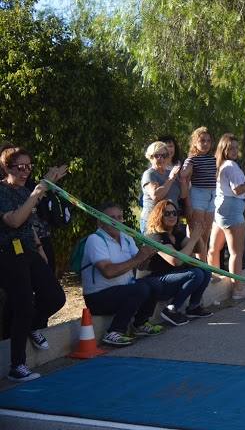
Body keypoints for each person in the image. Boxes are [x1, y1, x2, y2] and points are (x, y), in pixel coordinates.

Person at [0, 148, 67, 381]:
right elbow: (15, 220)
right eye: (20, 167)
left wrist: (39, 249)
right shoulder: (2, 191)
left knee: (55, 297)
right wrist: (39, 191)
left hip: (29, 249)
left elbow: (29, 223)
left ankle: (32, 325)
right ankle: (17, 366)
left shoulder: (25, 190)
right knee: (23, 305)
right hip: (8, 253)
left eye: (29, 166)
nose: (26, 172)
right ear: (7, 168)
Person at [82, 202, 164, 348]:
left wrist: (148, 255)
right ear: (100, 221)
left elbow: (140, 266)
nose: (116, 221)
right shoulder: (95, 240)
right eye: (111, 217)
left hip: (123, 291)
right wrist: (139, 257)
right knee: (140, 289)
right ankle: (114, 332)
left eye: (119, 217)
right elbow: (108, 272)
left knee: (155, 284)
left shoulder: (126, 238)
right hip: (98, 297)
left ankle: (140, 324)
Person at [144, 200, 213, 324]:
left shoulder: (176, 234)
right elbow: (176, 261)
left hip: (175, 276)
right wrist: (194, 239)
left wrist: (198, 234)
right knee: (196, 273)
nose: (172, 216)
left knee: (205, 269)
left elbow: (198, 249)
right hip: (158, 280)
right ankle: (172, 309)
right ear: (159, 216)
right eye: (167, 213)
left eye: (174, 213)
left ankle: (194, 307)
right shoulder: (155, 237)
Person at [209, 133, 245, 300]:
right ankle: (238, 288)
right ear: (224, 149)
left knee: (215, 248)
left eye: (237, 148)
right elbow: (238, 189)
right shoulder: (230, 166)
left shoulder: (221, 165)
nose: (235, 151)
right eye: (231, 148)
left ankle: (215, 276)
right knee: (236, 251)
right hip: (233, 209)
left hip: (221, 209)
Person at [181, 127, 217, 261]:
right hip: (198, 195)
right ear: (195, 142)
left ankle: (205, 268)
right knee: (197, 235)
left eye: (208, 141)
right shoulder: (192, 159)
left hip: (212, 196)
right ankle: (199, 267)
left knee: (206, 236)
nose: (206, 143)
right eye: (202, 140)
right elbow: (183, 174)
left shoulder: (213, 159)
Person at [140, 141, 181, 233]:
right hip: (153, 222)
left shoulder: (170, 173)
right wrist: (171, 178)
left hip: (171, 221)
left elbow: (183, 195)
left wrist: (184, 179)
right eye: (157, 155)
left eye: (164, 155)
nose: (161, 158)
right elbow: (156, 196)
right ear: (150, 157)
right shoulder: (150, 174)